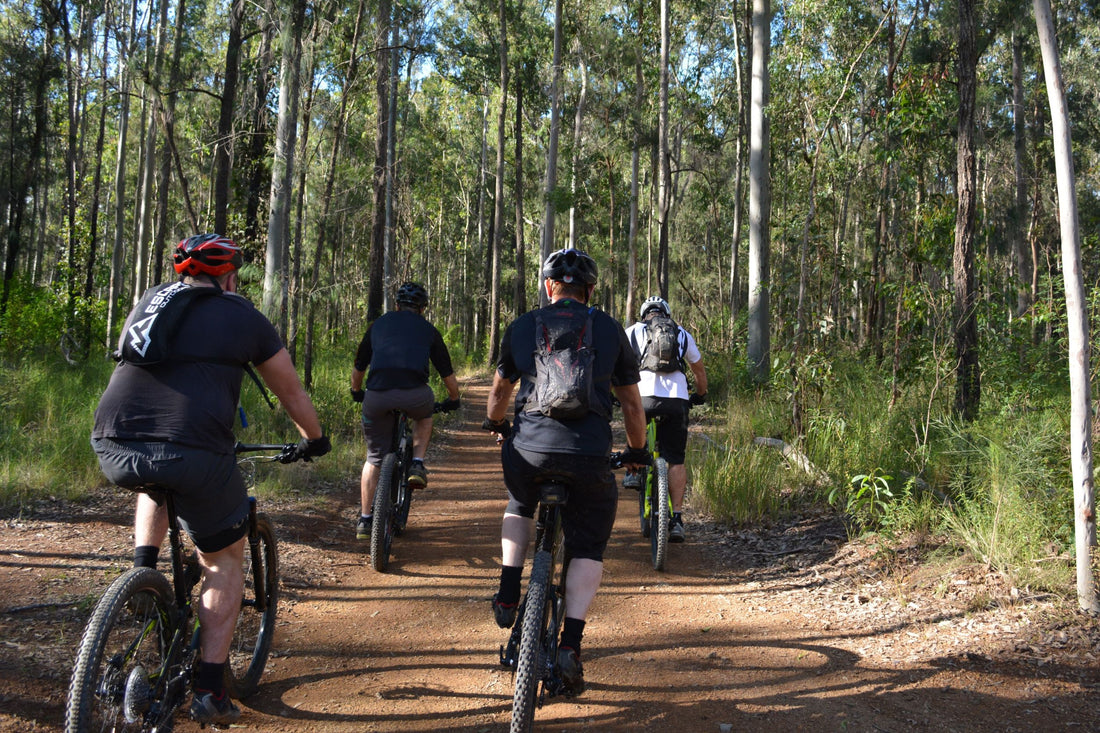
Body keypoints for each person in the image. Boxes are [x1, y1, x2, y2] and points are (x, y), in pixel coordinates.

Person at [91, 233, 331, 726]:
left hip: (114, 440)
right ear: (226, 275)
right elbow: (289, 389)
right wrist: (315, 438)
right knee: (223, 559)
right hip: (194, 450)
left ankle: (145, 579)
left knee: (155, 479)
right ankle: (209, 691)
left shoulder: (150, 304)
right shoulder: (240, 312)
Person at [484, 247, 649, 697]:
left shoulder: (522, 326)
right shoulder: (611, 329)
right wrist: (638, 452)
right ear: (590, 290)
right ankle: (570, 645)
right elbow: (632, 405)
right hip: (589, 456)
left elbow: (500, 390)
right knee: (588, 544)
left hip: (529, 452)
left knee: (521, 501)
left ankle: (506, 591)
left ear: (548, 286)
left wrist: (497, 424)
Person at [350, 282, 460, 540]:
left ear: (397, 305)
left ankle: (366, 520)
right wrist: (454, 398)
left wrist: (357, 392)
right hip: (415, 396)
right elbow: (446, 371)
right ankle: (418, 464)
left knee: (373, 458)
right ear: (422, 309)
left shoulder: (377, 325)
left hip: (376, 396)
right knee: (424, 415)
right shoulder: (429, 330)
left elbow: (359, 365)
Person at [623, 295, 708, 543]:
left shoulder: (633, 331)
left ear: (643, 314)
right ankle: (677, 519)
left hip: (642, 399)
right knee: (676, 460)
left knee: (635, 427)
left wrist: (615, 395)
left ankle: (632, 467)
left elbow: (617, 366)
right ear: (666, 314)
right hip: (676, 400)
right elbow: (698, 370)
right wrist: (700, 395)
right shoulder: (681, 333)